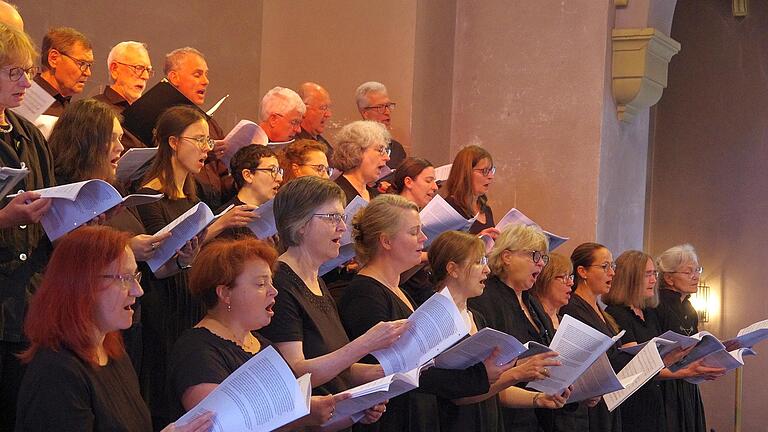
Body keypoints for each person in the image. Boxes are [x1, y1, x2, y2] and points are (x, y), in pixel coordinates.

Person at [15, 226, 213, 432]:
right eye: (125, 278)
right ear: (83, 284)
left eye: (135, 277)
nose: (138, 291)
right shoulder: (56, 375)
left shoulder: (114, 353)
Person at [135, 105, 254, 426]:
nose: (206, 148)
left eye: (208, 141)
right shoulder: (148, 195)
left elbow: (191, 256)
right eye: (198, 140)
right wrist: (215, 227)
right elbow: (158, 265)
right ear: (173, 143)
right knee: (166, 392)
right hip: (163, 303)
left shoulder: (197, 191)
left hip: (192, 296)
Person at [169, 237, 362, 429]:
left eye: (271, 282)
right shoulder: (195, 350)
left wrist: (351, 412)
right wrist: (305, 415)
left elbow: (301, 423)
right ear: (225, 293)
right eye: (261, 284)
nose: (274, 291)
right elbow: (221, 426)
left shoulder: (264, 345)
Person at [260, 177, 407, 415]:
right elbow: (298, 372)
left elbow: (339, 367)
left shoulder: (316, 280)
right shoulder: (280, 283)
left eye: (342, 217)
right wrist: (367, 342)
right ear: (300, 224)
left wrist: (392, 373)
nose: (342, 227)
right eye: (332, 217)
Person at [429, 231, 570, 432]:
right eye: (478, 262)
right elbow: (458, 392)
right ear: (453, 269)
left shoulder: (476, 317)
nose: (486, 270)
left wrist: (538, 398)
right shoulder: (436, 318)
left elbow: (494, 390)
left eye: (485, 261)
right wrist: (517, 373)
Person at [0, 24, 55, 431]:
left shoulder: (30, 134)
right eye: (13, 73)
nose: (26, 82)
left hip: (29, 304)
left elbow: (49, 206)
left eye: (27, 72)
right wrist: (4, 217)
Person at [468, 224, 562, 432]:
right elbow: (485, 365)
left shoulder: (532, 301)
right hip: (506, 415)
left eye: (544, 258)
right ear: (507, 257)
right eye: (534, 255)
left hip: (539, 412)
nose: (540, 264)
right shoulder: (485, 298)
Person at [655, 244, 724, 432]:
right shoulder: (657, 306)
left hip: (687, 383)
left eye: (697, 270)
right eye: (688, 272)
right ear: (669, 278)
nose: (696, 276)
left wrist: (718, 348)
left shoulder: (689, 308)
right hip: (666, 385)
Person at [561, 242, 625, 432]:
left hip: (607, 400)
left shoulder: (601, 310)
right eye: (605, 266)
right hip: (587, 405)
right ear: (582, 271)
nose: (612, 273)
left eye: (612, 266)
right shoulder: (572, 307)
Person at [164, 47, 232, 209]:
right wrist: (206, 154)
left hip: (213, 209)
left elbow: (223, 179)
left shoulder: (210, 124)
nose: (206, 81)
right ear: (174, 77)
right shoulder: (163, 121)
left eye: (206, 74)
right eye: (197, 74)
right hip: (178, 206)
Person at [388, 157, 438, 306]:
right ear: (408, 182)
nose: (435, 187)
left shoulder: (424, 213)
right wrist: (432, 256)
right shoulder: (392, 211)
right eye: (428, 181)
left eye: (435, 181)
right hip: (405, 285)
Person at [92, 41, 152, 151]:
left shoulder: (147, 113)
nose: (145, 76)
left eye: (148, 70)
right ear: (114, 69)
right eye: (138, 68)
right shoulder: (95, 109)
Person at [218, 144, 283, 240]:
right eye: (272, 170)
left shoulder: (275, 214)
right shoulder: (227, 220)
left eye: (279, 171)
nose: (279, 178)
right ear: (248, 175)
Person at [441, 145, 499, 238]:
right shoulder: (449, 208)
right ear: (465, 173)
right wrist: (476, 240)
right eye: (484, 171)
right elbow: (445, 249)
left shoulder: (486, 209)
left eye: (491, 170)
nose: (490, 176)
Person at [34, 26, 93, 116]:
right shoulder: (25, 101)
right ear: (54, 59)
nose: (88, 73)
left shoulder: (73, 110)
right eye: (82, 63)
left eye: (89, 65)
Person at [331, 120, 391, 205]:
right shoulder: (333, 195)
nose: (387, 158)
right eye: (380, 150)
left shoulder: (378, 199)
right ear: (356, 151)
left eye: (386, 151)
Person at [355, 81, 405, 168]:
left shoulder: (397, 149)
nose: (387, 112)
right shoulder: (354, 148)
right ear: (365, 113)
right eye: (380, 107)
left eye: (388, 106)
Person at [297, 82, 334, 157]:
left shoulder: (321, 142)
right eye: (323, 108)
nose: (328, 114)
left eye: (328, 108)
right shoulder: (294, 147)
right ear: (304, 109)